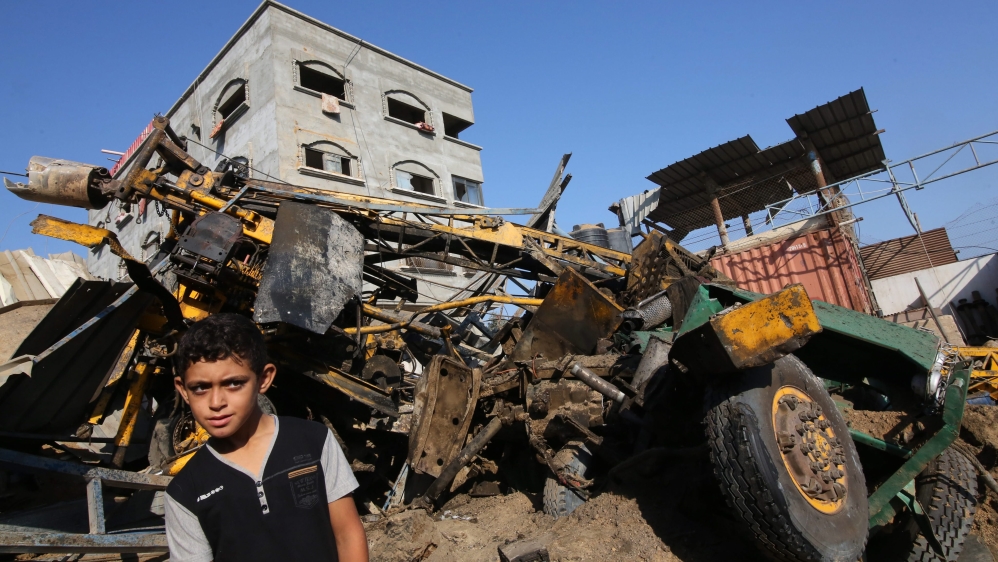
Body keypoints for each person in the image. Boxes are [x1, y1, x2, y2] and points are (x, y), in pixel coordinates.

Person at [164, 313, 369, 562]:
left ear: (264, 379)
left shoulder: (315, 442)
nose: (216, 403)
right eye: (200, 388)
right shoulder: (185, 492)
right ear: (182, 390)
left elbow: (348, 533)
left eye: (233, 384)